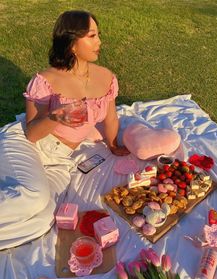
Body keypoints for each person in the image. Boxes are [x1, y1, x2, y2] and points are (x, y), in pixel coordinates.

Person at [0, 10, 129, 250]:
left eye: (98, 35)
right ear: (71, 43)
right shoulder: (45, 80)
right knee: (33, 198)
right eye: (92, 36)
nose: (99, 42)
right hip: (28, 144)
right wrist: (56, 116)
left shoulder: (106, 78)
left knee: (44, 220)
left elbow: (110, 117)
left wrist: (113, 145)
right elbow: (32, 133)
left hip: (60, 160)